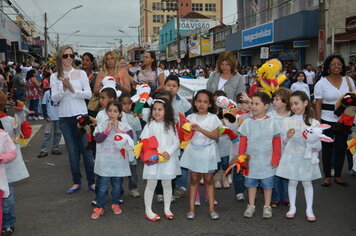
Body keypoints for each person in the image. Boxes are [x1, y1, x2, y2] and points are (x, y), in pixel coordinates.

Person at [50, 45, 95, 194]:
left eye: (71, 55)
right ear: (60, 58)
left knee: (86, 150)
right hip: (64, 118)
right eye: (65, 56)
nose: (69, 58)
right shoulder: (54, 76)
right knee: (72, 152)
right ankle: (76, 182)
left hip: (81, 116)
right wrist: (63, 88)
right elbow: (54, 98)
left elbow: (88, 94)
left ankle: (92, 181)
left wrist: (72, 89)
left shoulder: (81, 73)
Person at [276, 91, 322, 222]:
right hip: (291, 156)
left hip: (307, 157)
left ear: (305, 103)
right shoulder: (287, 121)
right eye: (291, 104)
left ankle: (309, 209)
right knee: (292, 182)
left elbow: (318, 144)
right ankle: (293, 207)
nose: (294, 107)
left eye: (296, 103)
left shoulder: (314, 123)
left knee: (307, 183)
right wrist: (288, 136)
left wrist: (313, 148)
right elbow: (284, 141)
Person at [238, 92, 281, 219]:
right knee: (251, 184)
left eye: (257, 104)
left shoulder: (273, 123)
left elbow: (277, 143)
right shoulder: (247, 123)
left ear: (266, 105)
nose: (253, 106)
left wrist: (275, 158)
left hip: (267, 161)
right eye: (252, 103)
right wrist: (241, 158)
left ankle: (267, 206)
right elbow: (243, 142)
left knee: (268, 185)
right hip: (251, 161)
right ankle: (251, 205)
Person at [180, 90, 221, 220]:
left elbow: (215, 136)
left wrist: (200, 129)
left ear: (209, 104)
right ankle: (191, 208)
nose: (201, 104)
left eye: (205, 101)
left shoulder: (213, 118)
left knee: (209, 180)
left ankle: (211, 209)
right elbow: (184, 136)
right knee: (194, 180)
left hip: (208, 152)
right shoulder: (190, 118)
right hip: (193, 152)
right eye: (199, 101)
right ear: (194, 102)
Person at [314, 54, 355, 187]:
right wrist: (318, 121)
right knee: (327, 148)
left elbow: (354, 99)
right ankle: (327, 176)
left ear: (342, 66)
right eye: (333, 64)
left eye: (339, 64)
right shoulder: (321, 83)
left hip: (344, 119)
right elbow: (318, 103)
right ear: (328, 67)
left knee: (341, 147)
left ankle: (338, 175)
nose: (336, 66)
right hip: (327, 119)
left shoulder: (348, 81)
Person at [90, 101, 133, 220]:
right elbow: (97, 139)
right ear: (106, 112)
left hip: (118, 161)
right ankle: (100, 206)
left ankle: (115, 203)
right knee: (103, 185)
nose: (112, 114)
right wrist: (107, 130)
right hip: (104, 161)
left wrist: (118, 130)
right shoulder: (102, 125)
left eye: (115, 111)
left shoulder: (124, 125)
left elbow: (130, 138)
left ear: (120, 113)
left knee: (117, 184)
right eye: (110, 111)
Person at [141, 98, 180, 221]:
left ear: (166, 111)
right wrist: (150, 153)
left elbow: (176, 142)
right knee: (151, 184)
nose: (157, 112)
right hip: (153, 160)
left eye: (160, 109)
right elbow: (144, 141)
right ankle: (148, 210)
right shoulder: (149, 125)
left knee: (167, 184)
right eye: (154, 109)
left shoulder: (170, 126)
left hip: (166, 160)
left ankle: (167, 209)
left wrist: (168, 152)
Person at [0, 91, 30, 235]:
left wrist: (21, 113)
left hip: (8, 166)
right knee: (6, 196)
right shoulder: (11, 120)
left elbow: (26, 132)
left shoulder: (10, 121)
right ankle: (6, 223)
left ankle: (8, 223)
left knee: (7, 196)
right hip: (7, 166)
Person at [164, 75, 192, 199]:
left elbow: (189, 119)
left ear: (178, 88)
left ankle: (181, 186)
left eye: (174, 86)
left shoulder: (184, 103)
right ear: (164, 86)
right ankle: (168, 185)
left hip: (181, 138)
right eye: (168, 85)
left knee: (183, 161)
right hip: (165, 137)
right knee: (169, 160)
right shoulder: (160, 100)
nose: (171, 88)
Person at [268, 88, 291, 208]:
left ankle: (286, 196)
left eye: (277, 99)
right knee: (274, 173)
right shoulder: (270, 115)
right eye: (274, 99)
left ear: (286, 101)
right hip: (274, 149)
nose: (274, 102)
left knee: (286, 174)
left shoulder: (291, 116)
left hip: (288, 149)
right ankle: (275, 197)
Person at [120, 93, 142, 198]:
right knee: (119, 171)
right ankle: (118, 189)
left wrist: (139, 146)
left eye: (129, 103)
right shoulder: (118, 117)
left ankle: (133, 188)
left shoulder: (135, 117)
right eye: (123, 104)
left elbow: (138, 133)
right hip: (120, 149)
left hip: (132, 149)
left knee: (133, 170)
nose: (127, 106)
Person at [37, 86, 62, 158]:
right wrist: (45, 116)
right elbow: (44, 104)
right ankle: (44, 150)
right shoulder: (47, 93)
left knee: (58, 133)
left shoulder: (61, 93)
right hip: (50, 116)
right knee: (47, 134)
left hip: (59, 116)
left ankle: (55, 148)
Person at [0, 127, 17, 232]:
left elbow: (12, 152)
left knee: (5, 204)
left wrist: (2, 158)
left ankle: (7, 224)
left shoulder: (2, 135)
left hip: (1, 181)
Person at [82, 52, 99, 118]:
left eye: (87, 60)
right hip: (79, 104)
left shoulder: (95, 75)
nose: (84, 62)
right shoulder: (77, 73)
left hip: (91, 106)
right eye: (83, 60)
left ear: (91, 62)